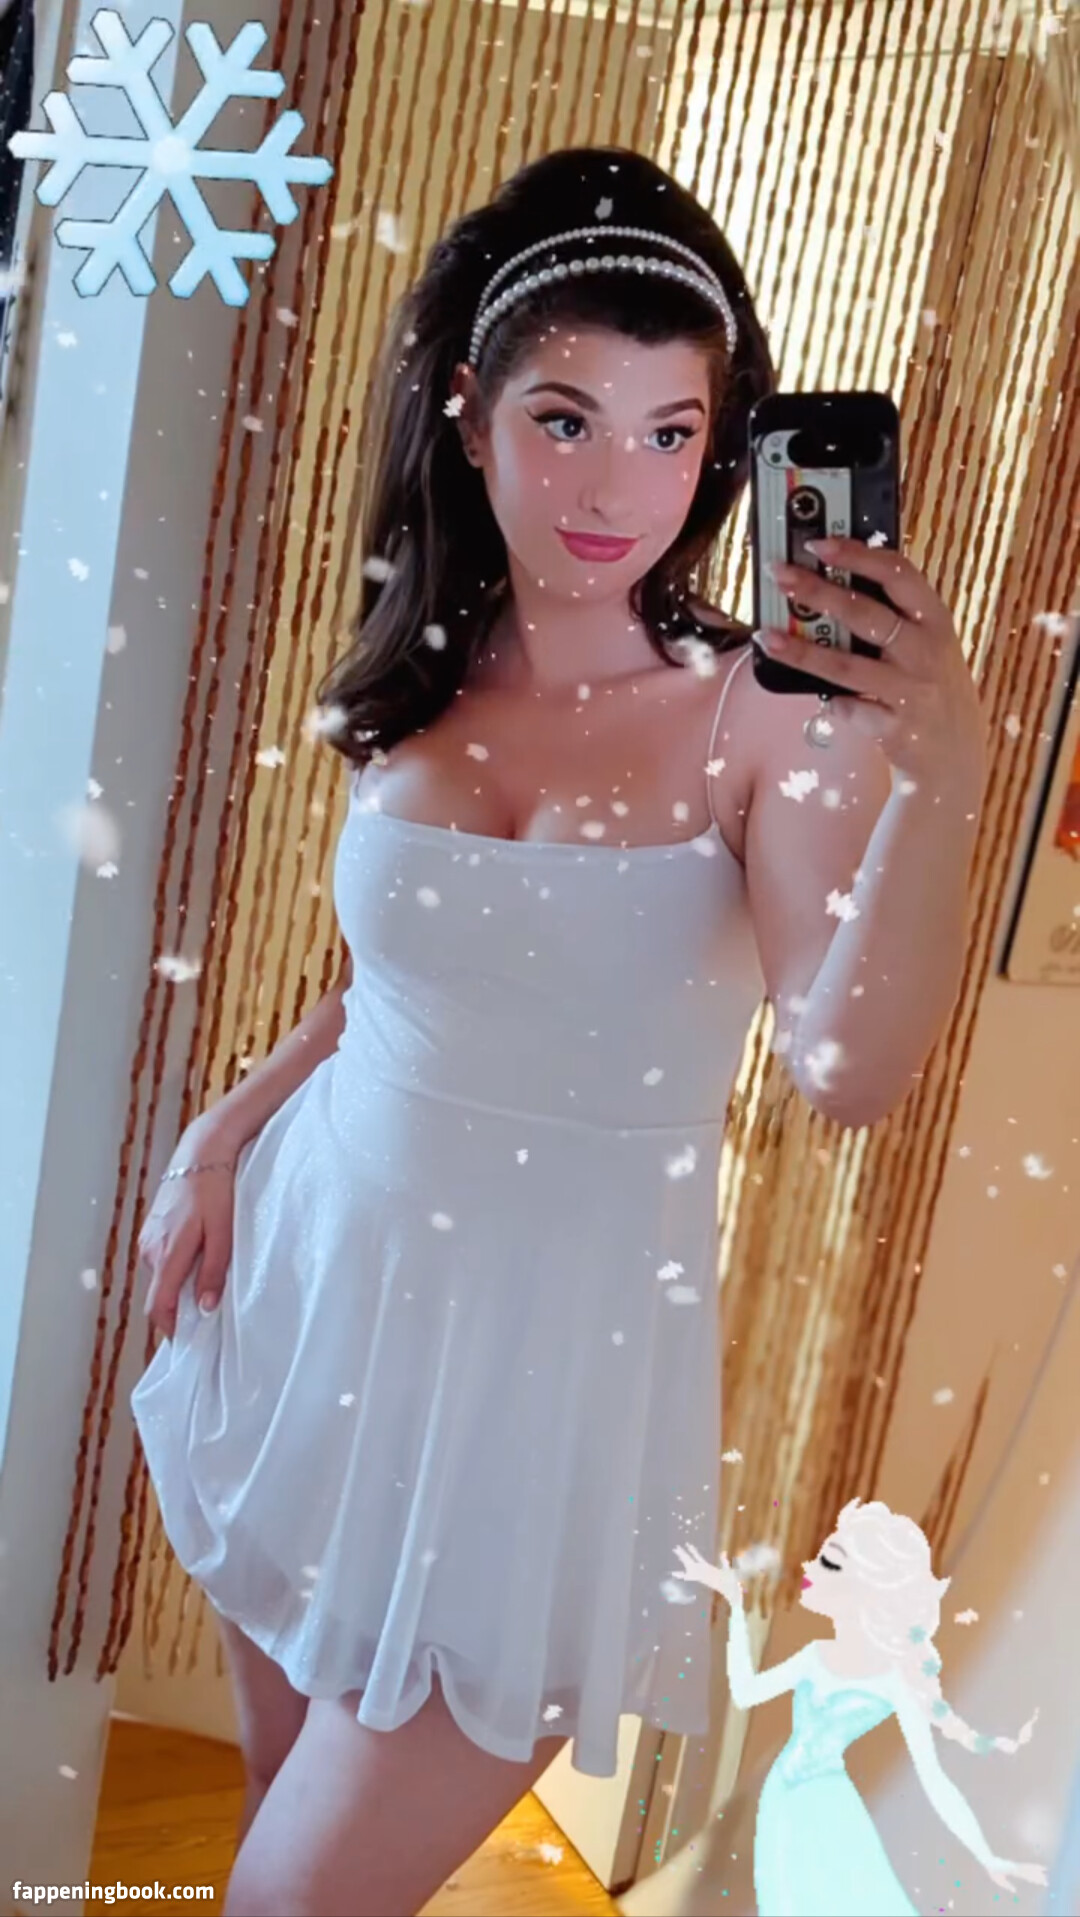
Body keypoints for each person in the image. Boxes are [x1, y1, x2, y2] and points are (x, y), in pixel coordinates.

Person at [130, 145, 988, 1917]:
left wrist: (945, 784)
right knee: (272, 1815)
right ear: (467, 413)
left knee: (292, 1897)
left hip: (540, 1406)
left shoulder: (762, 717)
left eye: (674, 433)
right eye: (567, 419)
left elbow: (846, 1070)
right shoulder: (423, 669)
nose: (618, 489)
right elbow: (400, 982)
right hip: (311, 1302)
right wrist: (225, 1129)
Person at [673, 1501, 1047, 1915]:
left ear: (869, 1587)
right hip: (780, 1802)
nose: (809, 1568)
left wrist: (987, 1856)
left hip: (826, 1810)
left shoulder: (894, 1682)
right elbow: (745, 1692)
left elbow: (934, 1779)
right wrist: (734, 1602)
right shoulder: (816, 1655)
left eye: (830, 1563)